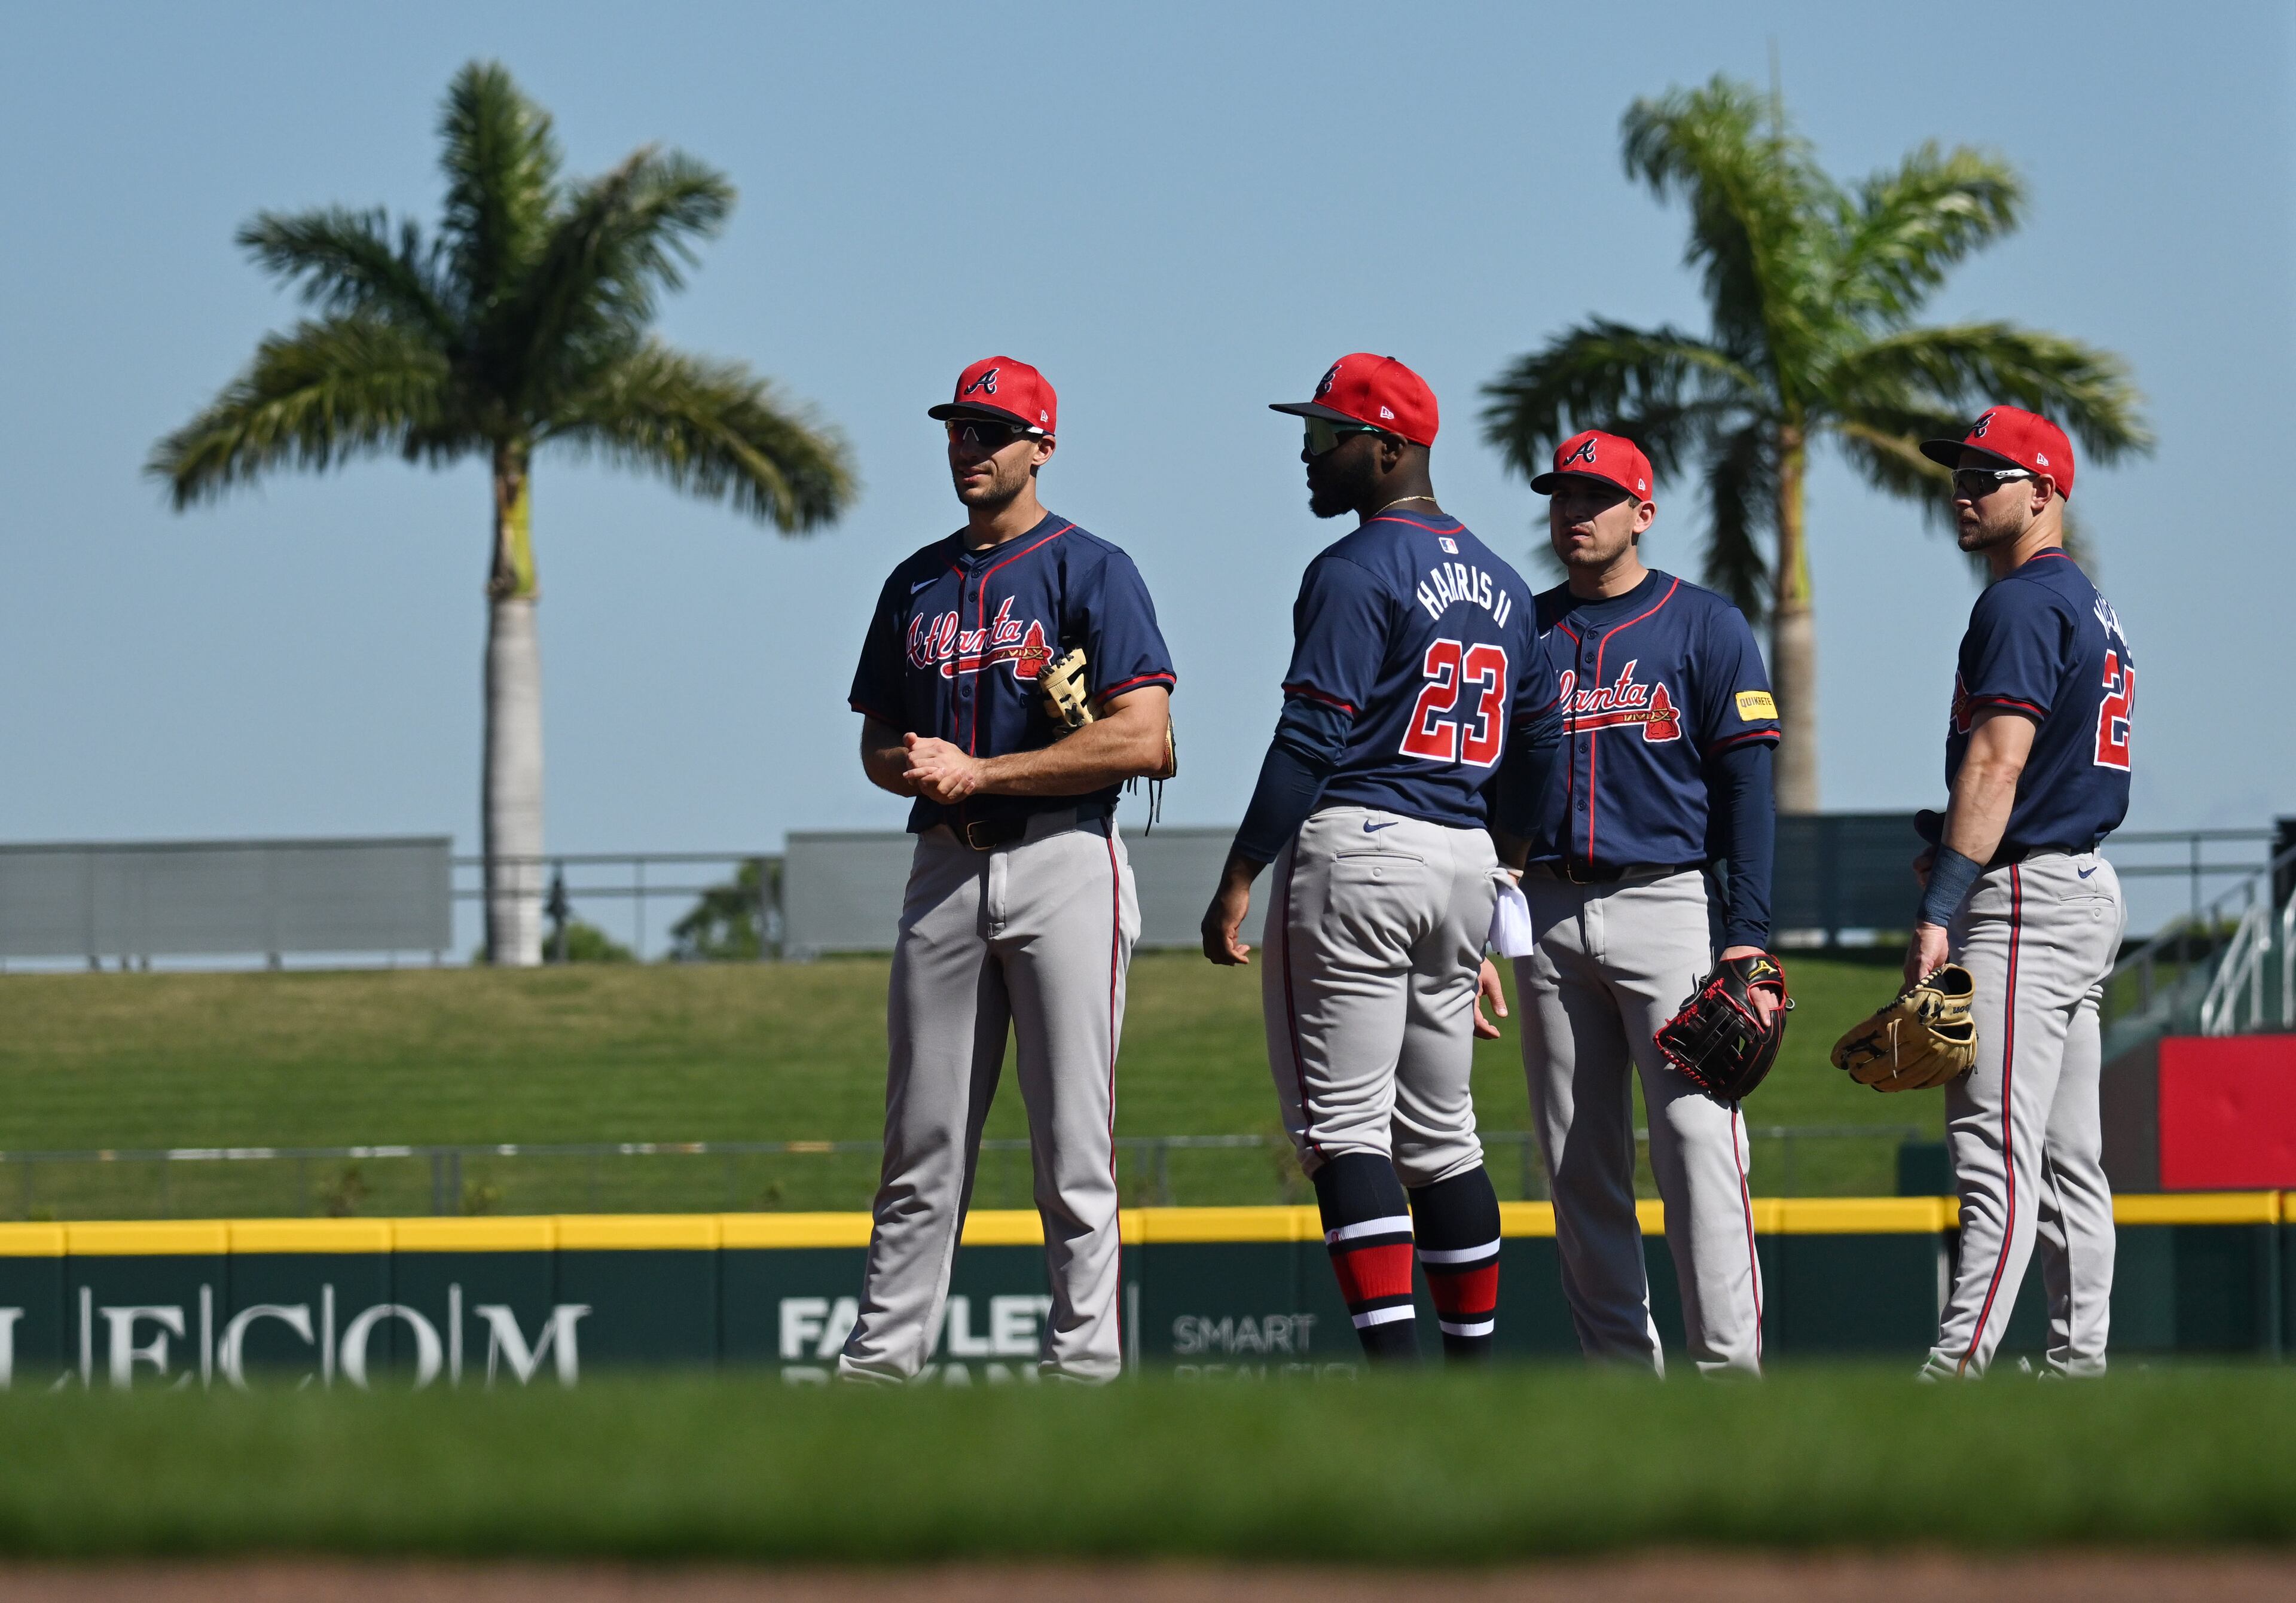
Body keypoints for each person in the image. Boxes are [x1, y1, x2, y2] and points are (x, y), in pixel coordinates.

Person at [1200, 354, 1562, 1364]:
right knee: (1444, 1136)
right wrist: (1510, 870)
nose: (1309, 454)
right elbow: (1537, 746)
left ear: (1390, 448)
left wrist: (1239, 874)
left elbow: (1310, 740)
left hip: (1361, 843)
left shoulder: (1354, 569)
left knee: (1347, 1132)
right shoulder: (1500, 578)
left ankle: (1399, 1385)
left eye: (1328, 436)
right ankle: (1469, 1376)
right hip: (1464, 856)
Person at [840, 356, 1177, 1383]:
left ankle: (1084, 1373)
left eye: (991, 430)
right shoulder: (916, 580)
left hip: (1066, 856)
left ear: (1042, 445)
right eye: (957, 429)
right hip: (944, 868)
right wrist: (921, 766)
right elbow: (877, 745)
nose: (970, 446)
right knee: (921, 1145)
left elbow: (1147, 738)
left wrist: (985, 766)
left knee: (1075, 1144)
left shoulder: (1092, 568)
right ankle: (879, 1374)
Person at [1505, 428, 1781, 1376]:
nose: (1573, 513)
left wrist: (1747, 938)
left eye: (1595, 498)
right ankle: (1622, 1382)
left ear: (1642, 513)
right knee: (1578, 1160)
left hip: (1666, 901)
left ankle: (1727, 1377)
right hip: (1542, 908)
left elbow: (1749, 792)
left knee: (1699, 1142)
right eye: (1561, 497)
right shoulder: (1524, 628)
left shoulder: (1705, 625)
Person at [1907, 407, 2129, 1379]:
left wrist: (1939, 905)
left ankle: (1951, 1378)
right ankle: (2078, 1373)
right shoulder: (2085, 600)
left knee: (1994, 1152)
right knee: (2069, 1157)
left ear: (2043, 492)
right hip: (2082, 886)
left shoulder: (2022, 603)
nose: (1963, 488)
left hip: (2027, 900)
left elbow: (1998, 768)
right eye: (1961, 472)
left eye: (1987, 474)